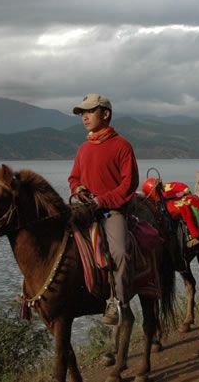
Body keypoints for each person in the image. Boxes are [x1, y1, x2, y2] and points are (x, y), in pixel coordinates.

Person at [68, 93, 139, 325]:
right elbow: (73, 177)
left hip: (112, 211)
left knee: (120, 252)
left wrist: (102, 200)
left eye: (89, 111)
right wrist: (77, 187)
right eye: (82, 113)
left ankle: (118, 302)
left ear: (105, 114)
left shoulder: (122, 146)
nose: (84, 117)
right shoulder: (83, 149)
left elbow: (129, 184)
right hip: (84, 208)